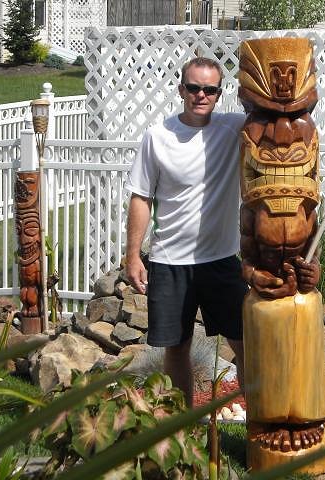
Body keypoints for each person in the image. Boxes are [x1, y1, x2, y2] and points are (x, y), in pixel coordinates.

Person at [124, 57, 247, 407]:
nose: (201, 95)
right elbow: (141, 197)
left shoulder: (234, 128)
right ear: (181, 90)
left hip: (221, 260)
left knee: (247, 344)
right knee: (177, 349)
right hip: (170, 261)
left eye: (209, 89)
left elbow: (276, 117)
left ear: (219, 94)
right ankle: (183, 427)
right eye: (193, 88)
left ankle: (260, 425)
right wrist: (133, 255)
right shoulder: (158, 137)